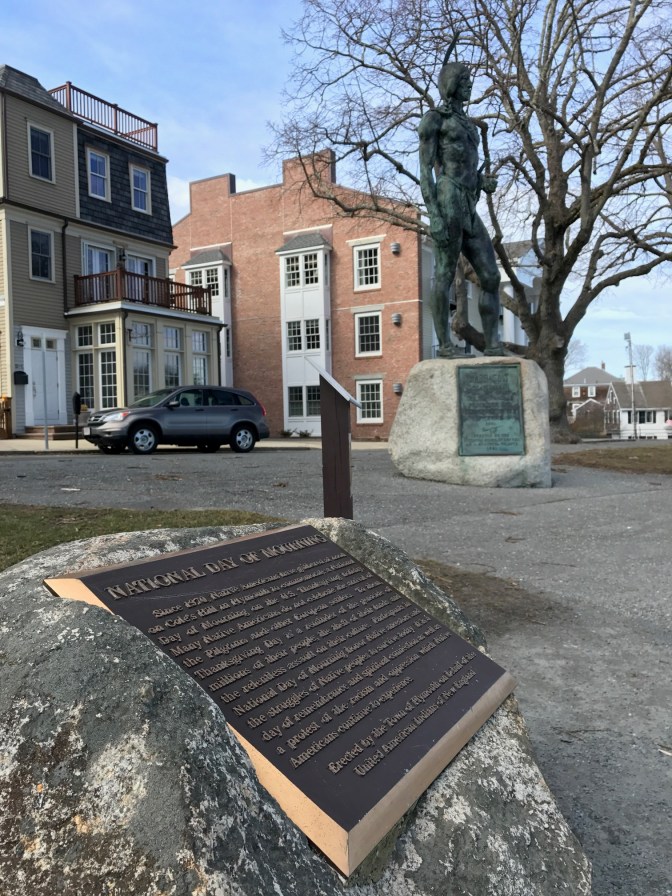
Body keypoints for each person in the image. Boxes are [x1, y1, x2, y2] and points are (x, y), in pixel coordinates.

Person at [419, 56, 503, 356]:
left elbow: (467, 167)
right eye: (464, 80)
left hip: (468, 201)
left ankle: (493, 346)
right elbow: (426, 169)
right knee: (443, 273)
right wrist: (435, 216)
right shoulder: (435, 120)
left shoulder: (467, 124)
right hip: (448, 197)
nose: (470, 84)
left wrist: (482, 183)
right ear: (452, 85)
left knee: (491, 276)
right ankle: (443, 345)